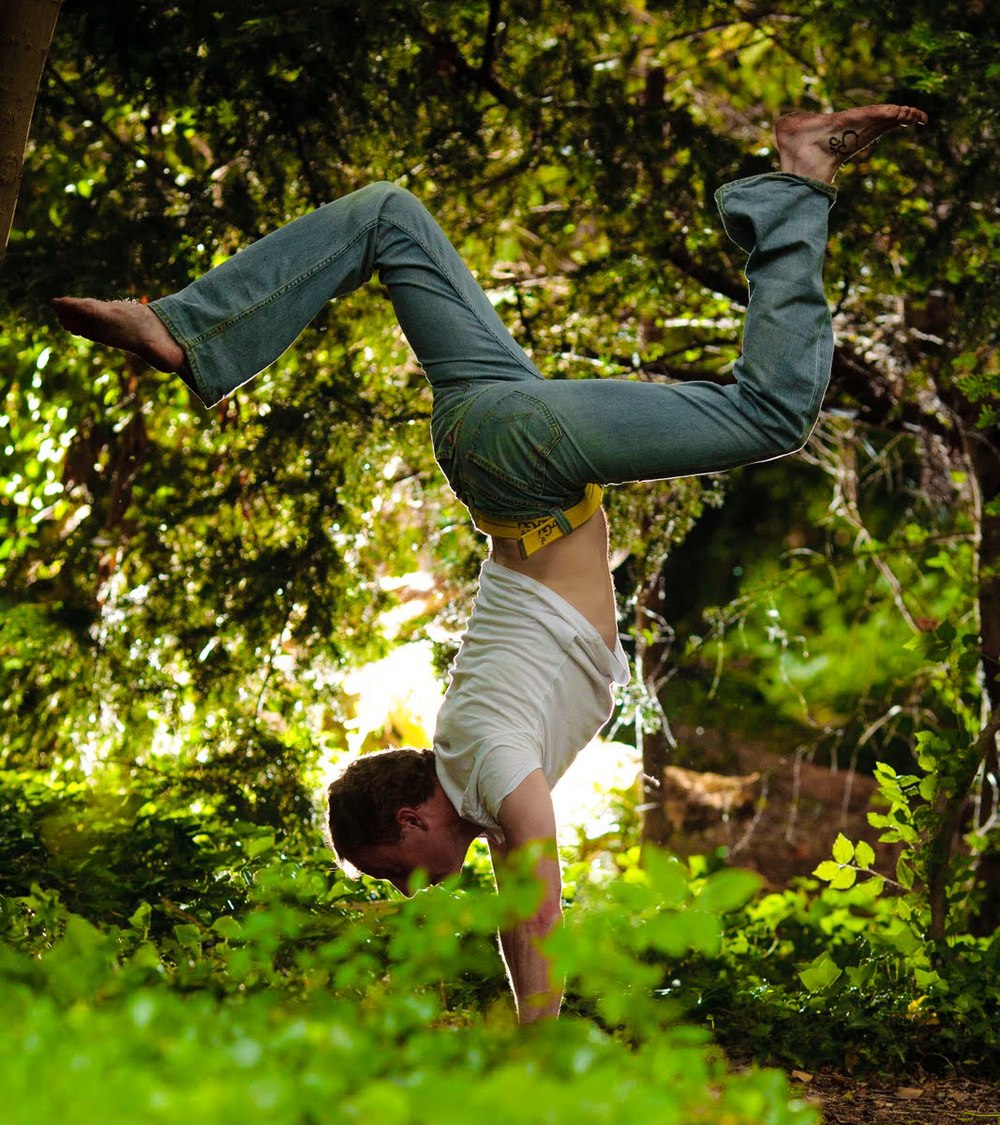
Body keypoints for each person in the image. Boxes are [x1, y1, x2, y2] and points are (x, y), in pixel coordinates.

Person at [53, 103, 927, 1023]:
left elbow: (532, 901)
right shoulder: (477, 747)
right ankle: (187, 327)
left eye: (395, 873)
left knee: (772, 414)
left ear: (411, 820)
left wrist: (536, 1034)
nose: (411, 890)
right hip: (488, 429)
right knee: (389, 214)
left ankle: (798, 176)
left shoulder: (484, 759)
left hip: (525, 465)